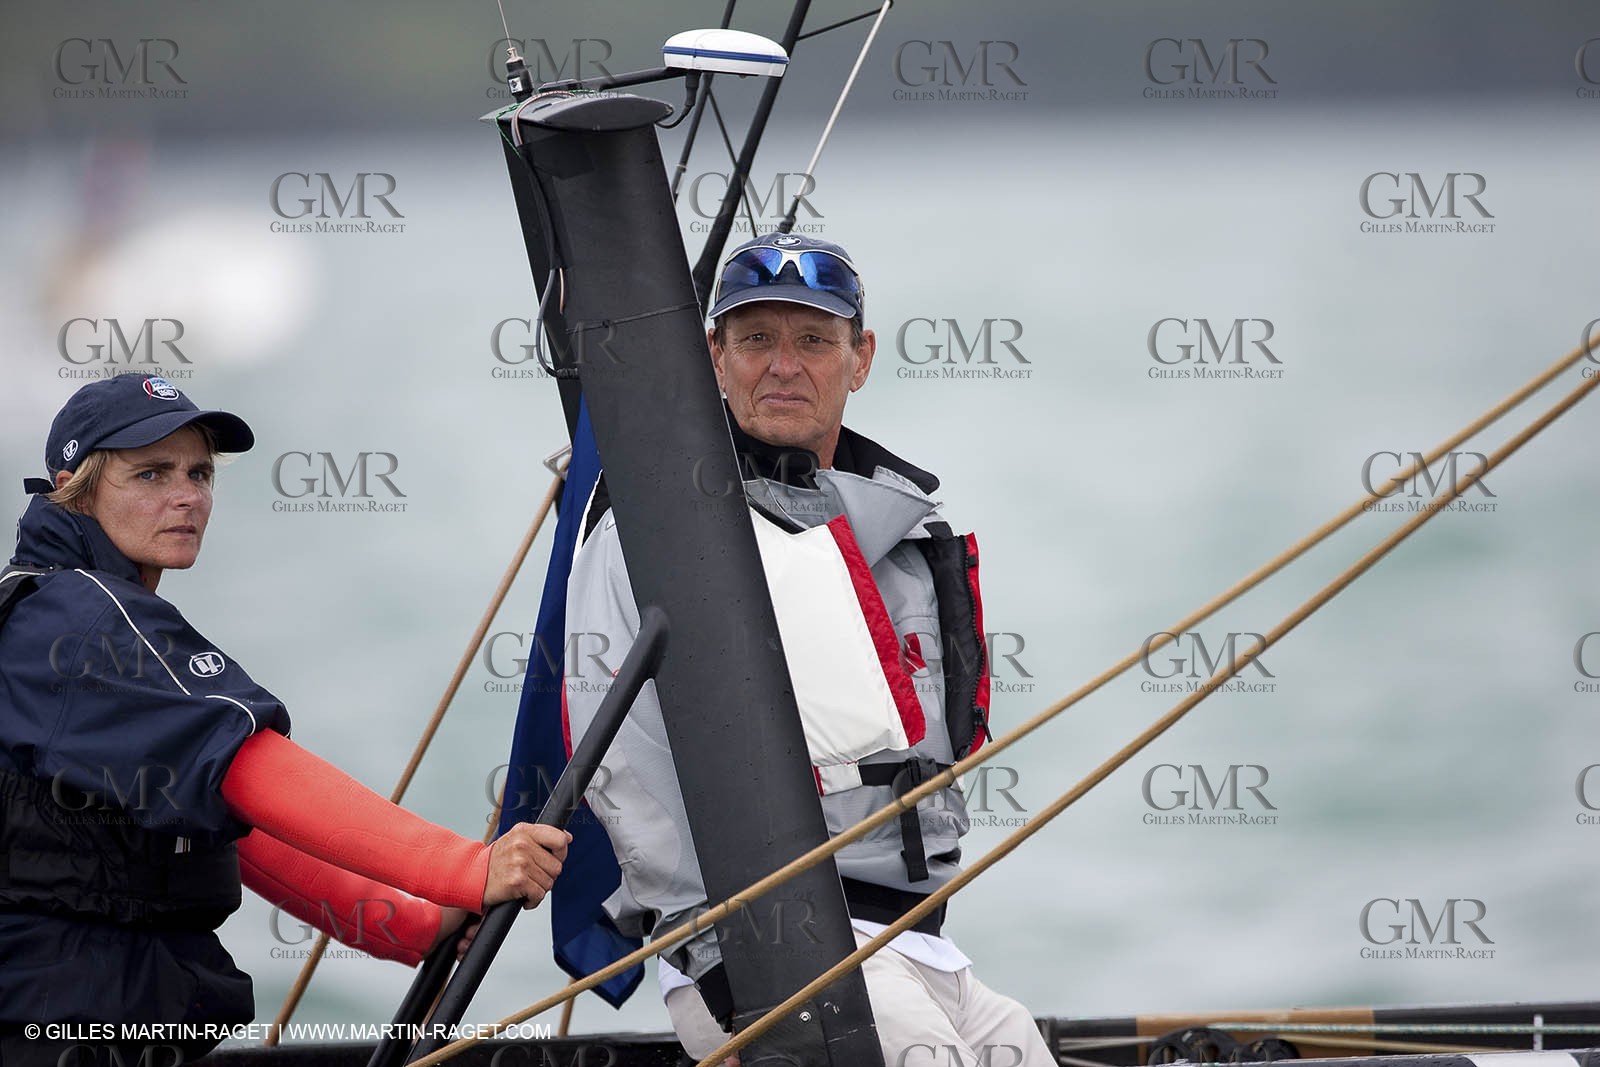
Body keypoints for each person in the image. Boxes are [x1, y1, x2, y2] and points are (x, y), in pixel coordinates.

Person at [562, 234, 1054, 1066]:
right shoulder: (653, 535)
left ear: (859, 359)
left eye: (814, 340)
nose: (783, 365)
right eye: (755, 338)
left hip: (917, 941)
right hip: (769, 948)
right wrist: (722, 959)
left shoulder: (903, 528)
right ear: (713, 357)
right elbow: (629, 767)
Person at [0, 374, 569, 1067]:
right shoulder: (82, 620)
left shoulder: (47, 611)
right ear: (75, 487)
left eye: (199, 472)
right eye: (151, 473)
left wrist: (414, 924)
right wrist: (470, 868)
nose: (187, 496)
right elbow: (249, 768)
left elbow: (236, 828)